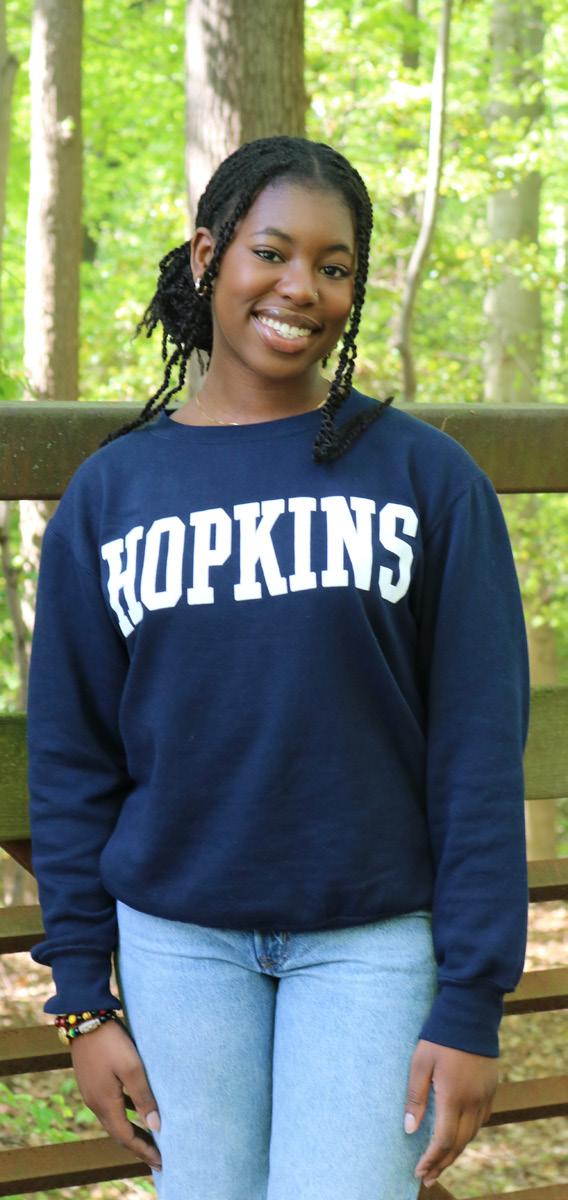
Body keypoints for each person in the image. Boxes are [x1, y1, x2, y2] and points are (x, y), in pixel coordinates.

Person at [27, 135, 530, 1200]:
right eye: (271, 252)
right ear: (207, 254)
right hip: (176, 945)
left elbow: (479, 756)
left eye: (334, 266)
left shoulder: (428, 480)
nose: (302, 287)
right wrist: (83, 998)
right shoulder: (113, 496)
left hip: (372, 943)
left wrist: (472, 1001)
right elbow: (71, 760)